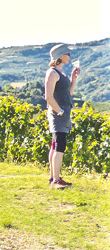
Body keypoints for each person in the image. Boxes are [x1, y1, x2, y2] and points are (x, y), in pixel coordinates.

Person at [44, 43, 80, 189]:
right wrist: (60, 112)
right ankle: (55, 181)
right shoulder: (52, 73)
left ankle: (54, 178)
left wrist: (73, 78)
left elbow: (68, 94)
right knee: (59, 146)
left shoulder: (60, 72)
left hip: (62, 113)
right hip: (58, 114)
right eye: (67, 54)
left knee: (55, 145)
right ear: (60, 56)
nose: (69, 56)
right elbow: (48, 97)